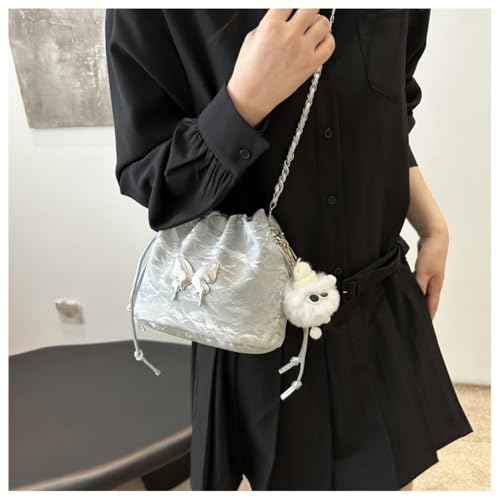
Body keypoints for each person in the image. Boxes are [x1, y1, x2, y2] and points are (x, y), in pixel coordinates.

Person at [104, 8, 474, 491]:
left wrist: (431, 223)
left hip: (377, 300)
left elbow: (389, 109)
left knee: (391, 480)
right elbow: (151, 179)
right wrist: (243, 104)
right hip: (255, 329)